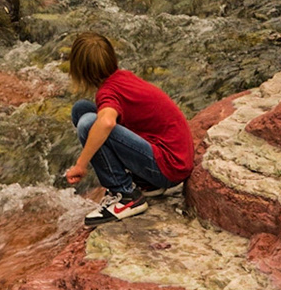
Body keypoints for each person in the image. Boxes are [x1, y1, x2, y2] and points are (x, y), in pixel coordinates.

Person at [62, 32, 195, 225]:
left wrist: (81, 165)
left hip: (169, 167)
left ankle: (124, 195)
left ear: (81, 70)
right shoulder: (122, 78)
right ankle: (144, 182)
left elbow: (106, 123)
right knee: (81, 109)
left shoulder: (108, 93)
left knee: (89, 123)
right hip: (173, 157)